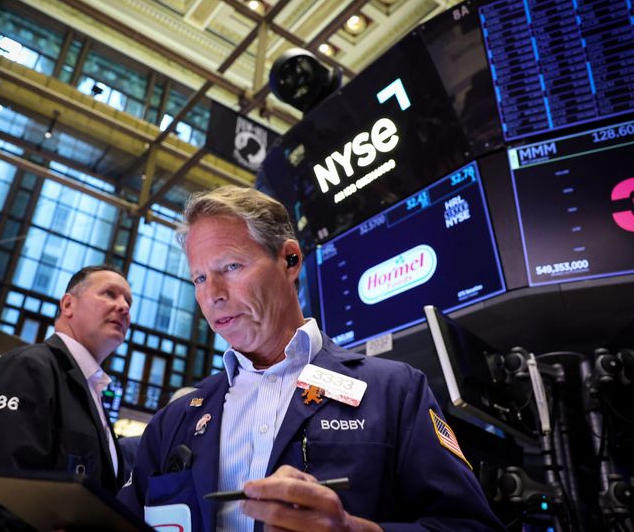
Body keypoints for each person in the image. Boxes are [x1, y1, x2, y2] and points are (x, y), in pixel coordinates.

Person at [118, 186, 505, 531]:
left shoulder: (394, 391)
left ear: (289, 260)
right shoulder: (176, 420)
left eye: (231, 267)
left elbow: (469, 524)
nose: (212, 294)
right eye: (199, 278)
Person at [0, 264, 132, 531]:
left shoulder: (93, 393)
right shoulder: (28, 368)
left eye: (128, 301)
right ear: (68, 305)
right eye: (110, 294)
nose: (124, 306)